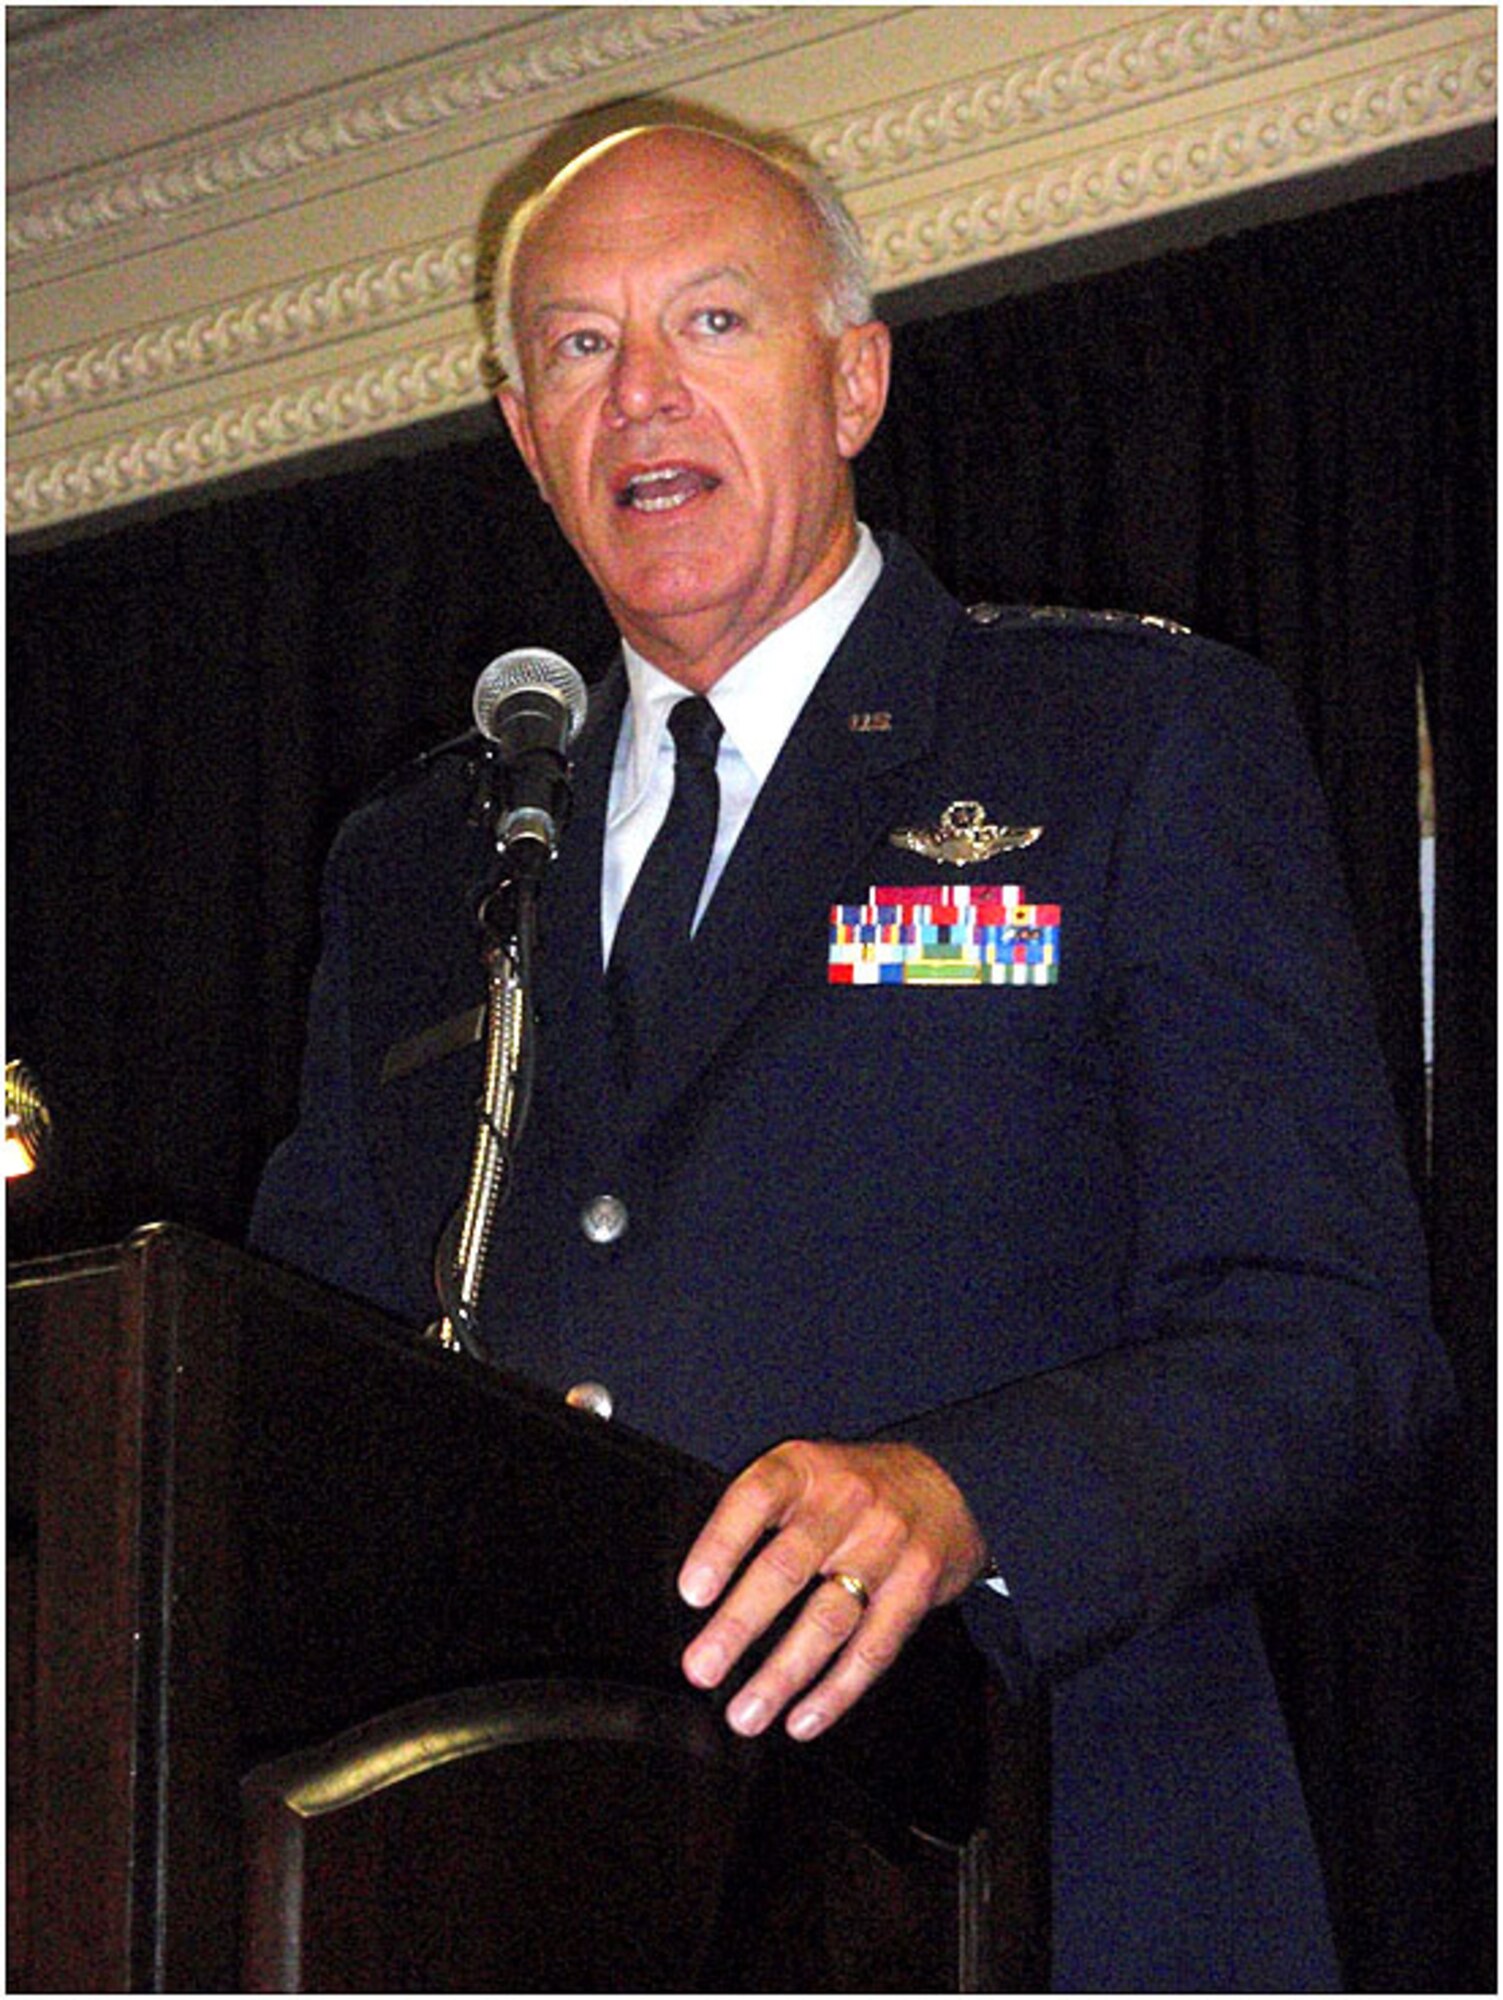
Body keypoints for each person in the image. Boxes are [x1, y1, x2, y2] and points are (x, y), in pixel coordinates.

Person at [251, 122, 1453, 1990]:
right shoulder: (425, 861)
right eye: (578, 346)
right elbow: (297, 1386)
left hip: (1041, 1865)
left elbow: (1337, 1344)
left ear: (856, 379)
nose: (640, 392)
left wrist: (968, 1495)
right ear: (520, 432)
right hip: (541, 1893)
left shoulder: (1122, 741)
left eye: (711, 320)